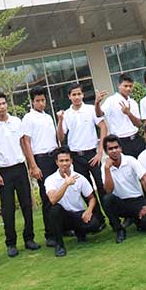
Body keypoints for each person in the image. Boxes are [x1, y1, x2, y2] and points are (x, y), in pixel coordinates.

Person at [0, 93, 41, 257]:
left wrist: (32, 165)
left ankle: (29, 238)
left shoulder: (16, 121)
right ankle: (11, 243)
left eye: (4, 103)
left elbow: (24, 144)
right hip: (4, 172)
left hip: (20, 168)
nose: (2, 106)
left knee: (27, 204)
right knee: (8, 209)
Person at [57, 83, 107, 224]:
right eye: (74, 94)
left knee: (101, 187)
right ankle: (99, 220)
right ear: (69, 97)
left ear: (83, 95)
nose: (77, 97)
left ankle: (113, 219)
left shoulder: (91, 109)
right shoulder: (66, 114)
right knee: (87, 190)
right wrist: (60, 121)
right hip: (76, 157)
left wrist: (100, 151)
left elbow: (103, 127)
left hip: (92, 154)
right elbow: (61, 137)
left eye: (79, 94)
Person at [45, 146, 102, 257]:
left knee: (95, 224)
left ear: (71, 161)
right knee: (54, 209)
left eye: (67, 160)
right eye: (61, 161)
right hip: (63, 217)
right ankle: (59, 245)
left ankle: (80, 232)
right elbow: (53, 199)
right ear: (56, 162)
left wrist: (89, 211)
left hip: (78, 214)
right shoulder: (50, 180)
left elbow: (91, 198)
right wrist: (66, 184)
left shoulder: (79, 177)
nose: (64, 163)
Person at [102, 134, 146, 243]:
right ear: (106, 152)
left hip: (136, 200)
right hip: (120, 203)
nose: (114, 151)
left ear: (121, 148)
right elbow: (109, 190)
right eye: (110, 149)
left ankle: (137, 220)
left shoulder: (130, 160)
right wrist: (107, 169)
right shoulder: (104, 167)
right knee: (107, 199)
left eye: (116, 147)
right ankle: (119, 230)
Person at [22, 86, 58, 247]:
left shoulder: (48, 117)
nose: (41, 103)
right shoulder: (28, 118)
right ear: (32, 102)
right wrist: (33, 165)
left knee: (60, 192)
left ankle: (63, 228)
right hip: (41, 159)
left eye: (43, 100)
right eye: (38, 100)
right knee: (47, 196)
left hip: (54, 157)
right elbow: (26, 143)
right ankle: (50, 234)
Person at [95, 73, 145, 158]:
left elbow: (139, 124)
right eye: (125, 86)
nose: (128, 88)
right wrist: (97, 103)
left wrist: (128, 113)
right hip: (121, 141)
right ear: (118, 85)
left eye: (130, 86)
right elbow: (99, 114)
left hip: (136, 139)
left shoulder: (133, 102)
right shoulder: (111, 100)